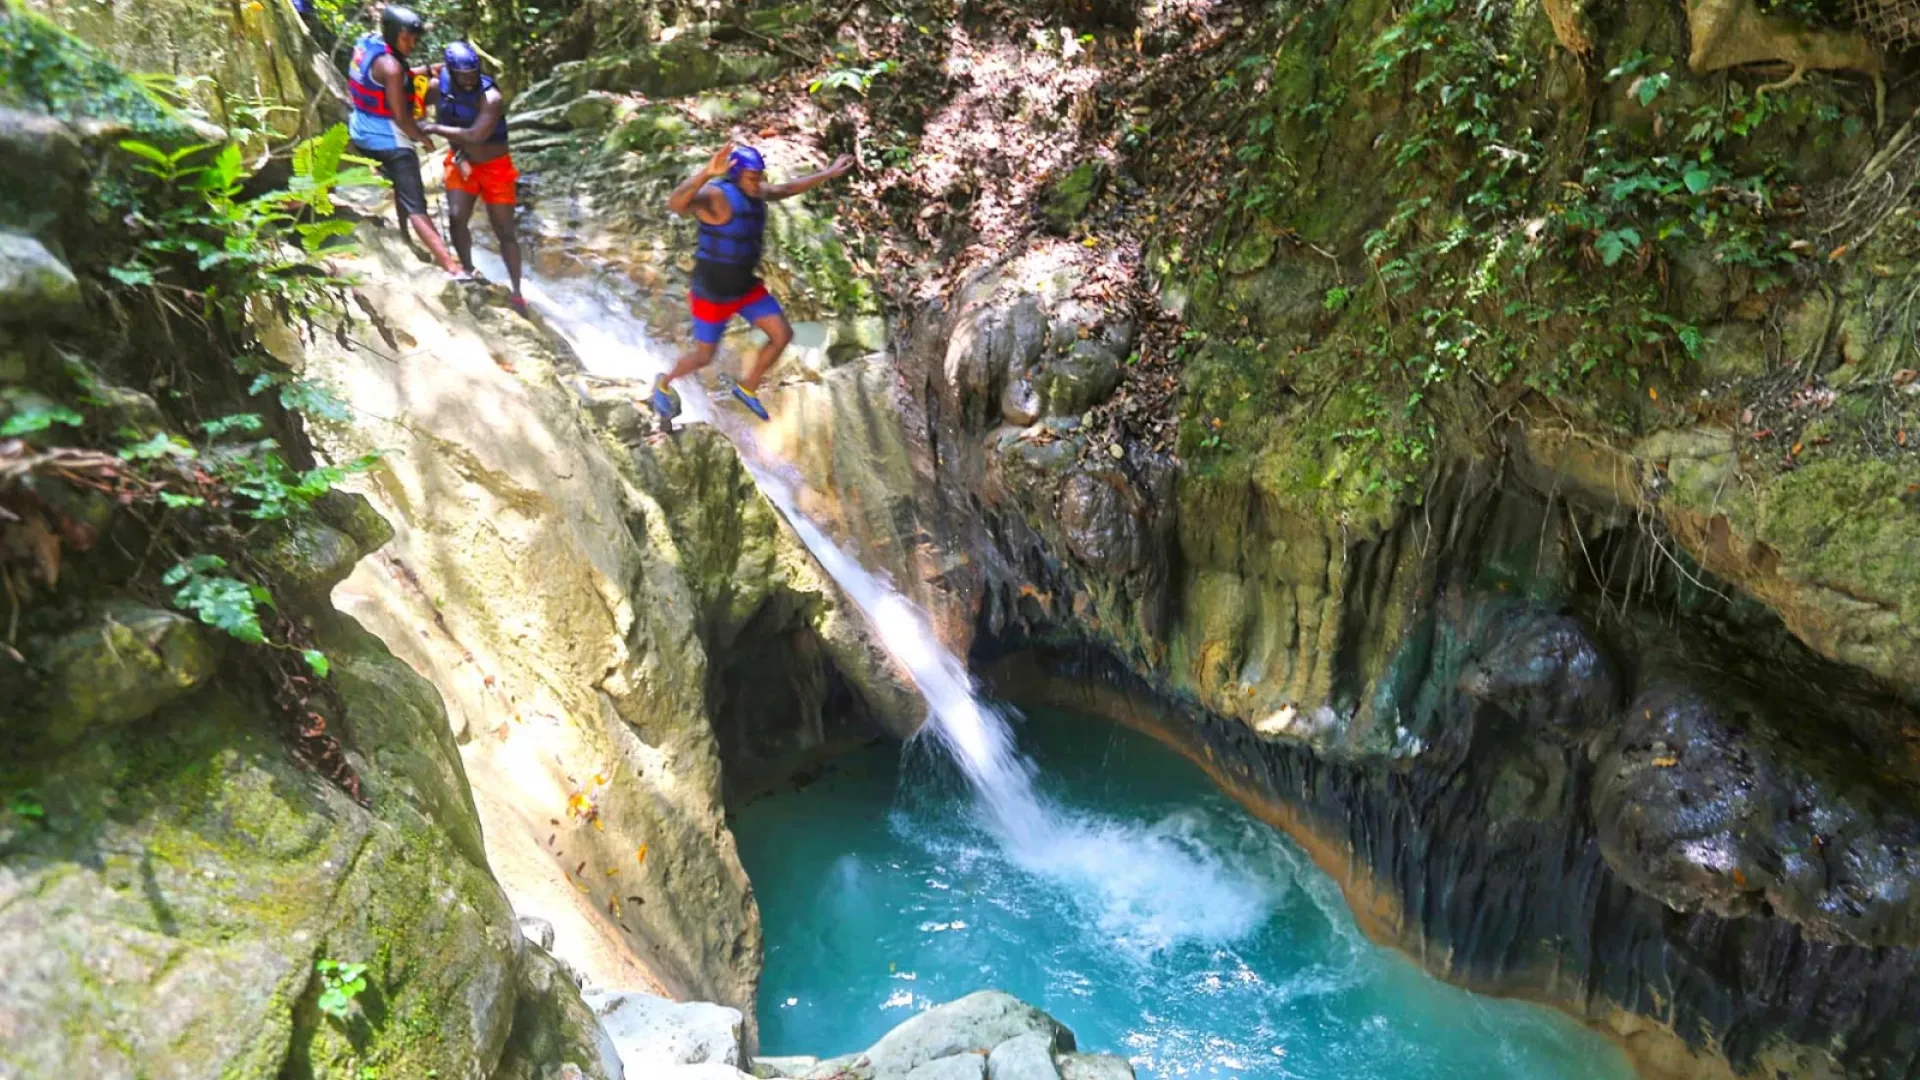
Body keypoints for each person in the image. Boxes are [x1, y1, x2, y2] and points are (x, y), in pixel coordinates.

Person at [648, 142, 854, 422]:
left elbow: (786, 189)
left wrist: (828, 173)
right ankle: (663, 383)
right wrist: (706, 173)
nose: (758, 183)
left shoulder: (757, 192)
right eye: (752, 177)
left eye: (760, 176)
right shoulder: (716, 196)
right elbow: (675, 204)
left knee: (782, 335)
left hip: (745, 289)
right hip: (713, 293)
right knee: (703, 357)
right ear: (736, 174)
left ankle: (747, 387)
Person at [345, 5, 464, 278]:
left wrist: (429, 70)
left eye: (414, 38)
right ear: (392, 34)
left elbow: (386, 77)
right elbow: (401, 117)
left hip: (360, 127)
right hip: (385, 137)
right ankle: (451, 266)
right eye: (405, 38)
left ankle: (404, 237)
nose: (411, 43)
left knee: (402, 187)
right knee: (416, 204)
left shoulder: (370, 43)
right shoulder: (392, 66)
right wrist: (423, 138)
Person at [421, 41, 526, 314]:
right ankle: (467, 269)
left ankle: (516, 291)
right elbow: (411, 93)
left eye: (473, 74)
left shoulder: (491, 96)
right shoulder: (437, 87)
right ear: (451, 71)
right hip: (461, 161)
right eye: (463, 75)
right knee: (456, 216)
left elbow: (475, 135)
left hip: (495, 166)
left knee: (504, 230)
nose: (469, 80)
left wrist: (432, 127)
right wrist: (416, 121)